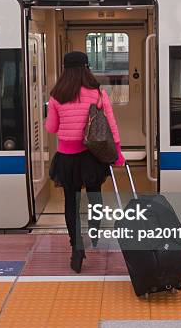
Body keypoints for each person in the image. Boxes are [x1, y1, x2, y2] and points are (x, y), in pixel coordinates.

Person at [45, 51, 125, 273]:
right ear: (86, 68)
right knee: (94, 195)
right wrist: (117, 152)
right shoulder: (97, 93)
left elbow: (51, 128)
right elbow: (111, 125)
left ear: (65, 69)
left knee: (71, 201)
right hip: (92, 156)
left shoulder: (56, 96)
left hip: (67, 158)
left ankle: (76, 250)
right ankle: (95, 232)